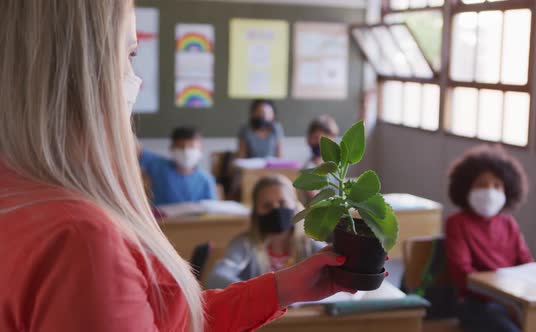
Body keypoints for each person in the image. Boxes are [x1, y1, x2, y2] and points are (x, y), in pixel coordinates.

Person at [0, 1, 352, 331]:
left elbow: (169, 320)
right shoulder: (84, 241)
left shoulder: (21, 196)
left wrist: (281, 288)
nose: (133, 78)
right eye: (130, 53)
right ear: (82, 71)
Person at [445, 145, 533, 332]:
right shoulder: (456, 223)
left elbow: (526, 264)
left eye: (497, 186)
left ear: (507, 190)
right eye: (481, 184)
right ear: (466, 188)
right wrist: (500, 297)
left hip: (512, 300)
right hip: (475, 303)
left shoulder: (509, 224)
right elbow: (463, 272)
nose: (490, 191)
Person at [207, 175, 324, 289]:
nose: (276, 209)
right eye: (267, 206)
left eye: (282, 203)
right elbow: (215, 278)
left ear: (295, 206)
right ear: (256, 213)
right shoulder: (245, 244)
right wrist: (261, 291)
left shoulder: (309, 243)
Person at [140, 126, 217, 206]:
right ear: (172, 148)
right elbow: (135, 148)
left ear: (200, 149)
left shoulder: (206, 179)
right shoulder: (158, 166)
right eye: (181, 147)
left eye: (191, 147)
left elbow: (212, 208)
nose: (186, 152)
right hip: (162, 218)